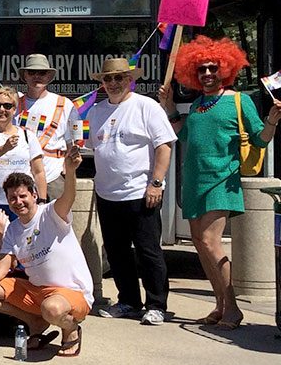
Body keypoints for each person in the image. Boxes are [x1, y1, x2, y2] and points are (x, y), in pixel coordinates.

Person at [159, 36, 281, 329]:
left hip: (222, 181)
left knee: (212, 242)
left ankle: (234, 308)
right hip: (193, 182)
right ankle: (219, 305)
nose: (207, 74)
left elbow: (259, 140)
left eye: (213, 68)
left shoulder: (240, 101)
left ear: (225, 69)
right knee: (200, 244)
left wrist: (273, 121)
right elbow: (185, 134)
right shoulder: (199, 103)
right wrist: (170, 106)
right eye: (201, 69)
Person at [0, 148, 93, 358]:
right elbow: (2, 267)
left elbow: (69, 196)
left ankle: (71, 329)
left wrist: (70, 172)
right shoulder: (13, 229)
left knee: (52, 309)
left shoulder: (51, 213)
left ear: (34, 195)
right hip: (36, 291)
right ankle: (34, 322)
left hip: (70, 293)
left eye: (23, 196)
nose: (18, 201)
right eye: (12, 198)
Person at [88, 57, 177, 326]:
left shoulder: (146, 106)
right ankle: (128, 301)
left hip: (141, 192)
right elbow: (94, 148)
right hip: (107, 194)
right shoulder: (95, 112)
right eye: (108, 79)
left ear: (130, 80)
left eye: (119, 78)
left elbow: (164, 147)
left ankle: (157, 304)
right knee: (117, 252)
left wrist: (156, 183)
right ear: (102, 83)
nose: (113, 83)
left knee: (149, 251)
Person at [0, 87, 47, 217]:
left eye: (7, 106)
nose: (1, 110)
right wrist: (4, 148)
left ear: (14, 109)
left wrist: (42, 200)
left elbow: (38, 171)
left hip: (23, 202)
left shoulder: (27, 136)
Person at [16, 54, 80, 199]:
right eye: (31, 72)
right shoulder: (14, 105)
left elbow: (76, 141)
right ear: (24, 76)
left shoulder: (65, 104)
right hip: (22, 177)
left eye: (42, 72)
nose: (36, 76)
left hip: (54, 177)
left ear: (49, 76)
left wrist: (68, 171)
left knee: (58, 221)